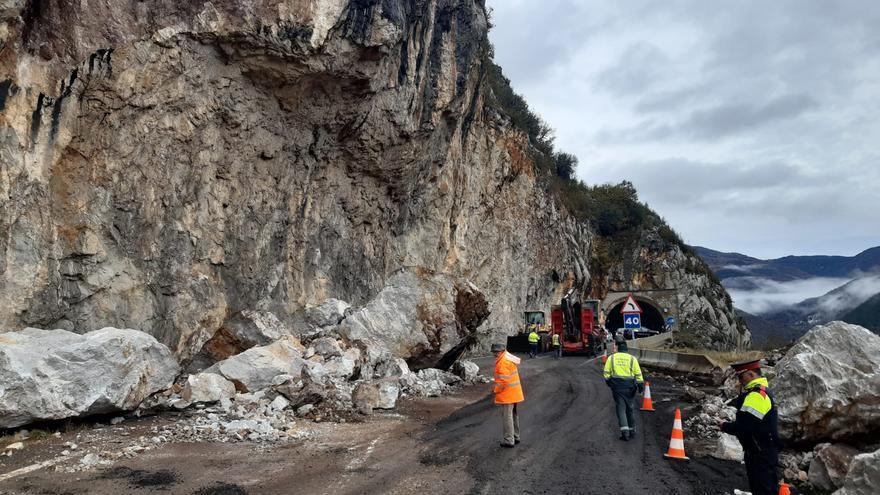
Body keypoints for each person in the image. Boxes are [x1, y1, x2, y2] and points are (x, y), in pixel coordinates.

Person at [719, 360, 780, 495]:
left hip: (759, 451)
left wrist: (724, 426)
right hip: (763, 449)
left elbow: (746, 427)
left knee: (762, 489)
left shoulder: (756, 396)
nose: (740, 381)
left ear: (751, 375)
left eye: (741, 377)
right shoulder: (762, 392)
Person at [603, 339, 644, 440]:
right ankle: (632, 431)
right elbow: (638, 374)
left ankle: (625, 433)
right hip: (630, 388)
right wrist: (640, 386)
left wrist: (609, 382)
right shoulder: (632, 359)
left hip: (617, 387)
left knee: (621, 409)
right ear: (626, 349)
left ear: (618, 348)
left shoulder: (612, 358)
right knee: (630, 408)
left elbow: (606, 373)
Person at [492, 343, 524, 447]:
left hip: (507, 394)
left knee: (507, 417)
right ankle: (516, 437)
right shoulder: (508, 357)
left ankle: (509, 440)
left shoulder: (502, 362)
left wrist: (495, 390)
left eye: (496, 352)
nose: (494, 354)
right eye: (493, 352)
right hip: (514, 393)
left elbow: (503, 381)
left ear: (501, 351)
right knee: (513, 415)